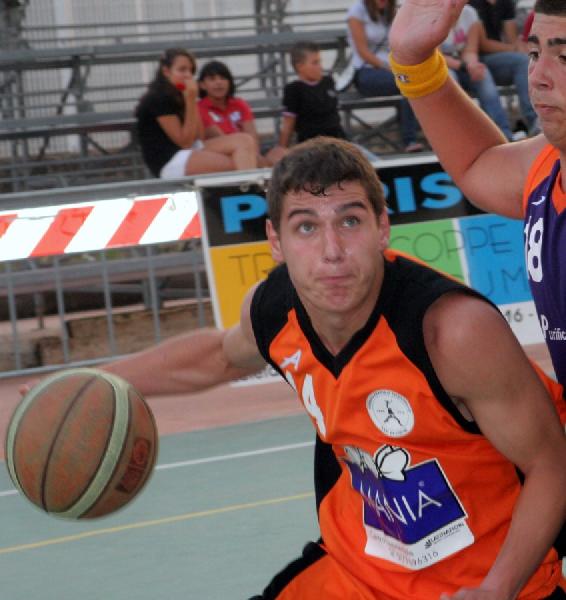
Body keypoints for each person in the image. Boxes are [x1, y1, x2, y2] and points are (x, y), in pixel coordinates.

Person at [103, 138, 566, 599]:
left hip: (486, 582)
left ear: (382, 228)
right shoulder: (276, 311)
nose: (332, 251)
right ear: (275, 241)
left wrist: (497, 589)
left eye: (350, 221)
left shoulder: (451, 333)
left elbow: (551, 463)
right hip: (355, 573)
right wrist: (103, 379)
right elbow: (220, 356)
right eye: (306, 227)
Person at [134, 48, 258, 179]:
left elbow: (199, 136)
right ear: (166, 71)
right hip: (170, 160)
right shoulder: (158, 98)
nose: (188, 75)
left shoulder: (181, 95)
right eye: (182, 70)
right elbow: (185, 142)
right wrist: (190, 100)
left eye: (191, 71)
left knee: (245, 140)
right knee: (236, 163)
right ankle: (248, 187)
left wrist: (192, 101)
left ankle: (248, 186)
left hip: (190, 150)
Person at [346, 0, 425, 153]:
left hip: (393, 68)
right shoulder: (357, 12)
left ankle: (416, 135)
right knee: (407, 84)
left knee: (415, 83)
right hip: (367, 70)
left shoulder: (393, 10)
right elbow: (363, 52)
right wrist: (389, 68)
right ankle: (410, 139)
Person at [440, 3, 514, 140]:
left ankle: (502, 135)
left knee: (483, 76)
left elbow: (470, 50)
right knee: (450, 80)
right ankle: (460, 137)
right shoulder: (433, 17)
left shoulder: (470, 13)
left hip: (463, 62)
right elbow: (434, 55)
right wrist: (463, 66)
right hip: (442, 65)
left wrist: (473, 65)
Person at [197, 60, 286, 167]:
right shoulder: (199, 108)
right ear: (202, 85)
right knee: (244, 145)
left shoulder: (239, 104)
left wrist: (255, 156)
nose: (219, 82)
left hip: (248, 151)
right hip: (218, 155)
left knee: (280, 153)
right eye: (212, 79)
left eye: (223, 78)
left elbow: (252, 136)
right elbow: (223, 139)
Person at [469, 0, 539, 136]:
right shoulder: (471, 5)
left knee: (524, 62)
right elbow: (482, 45)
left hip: (496, 59)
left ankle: (536, 122)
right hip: (472, 59)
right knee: (485, 76)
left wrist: (521, 51)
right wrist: (513, 49)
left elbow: (512, 39)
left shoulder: (505, 3)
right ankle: (502, 134)